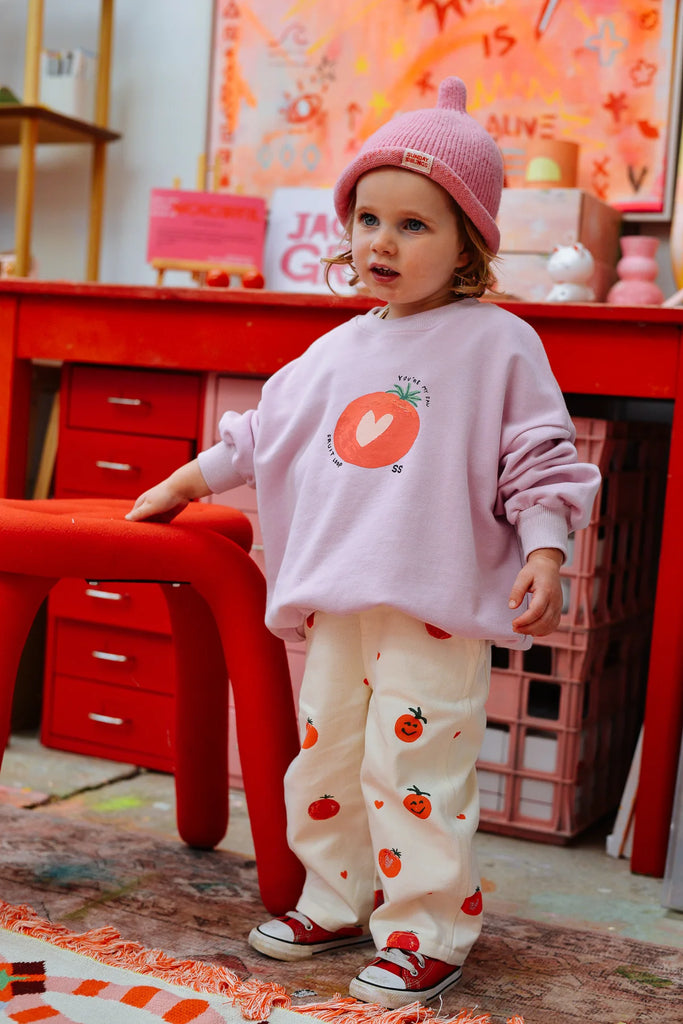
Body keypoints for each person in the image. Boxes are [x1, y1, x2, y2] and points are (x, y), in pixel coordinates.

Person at [126, 77, 601, 1010]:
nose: (380, 242)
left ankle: (427, 928)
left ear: (468, 239)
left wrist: (544, 549)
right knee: (330, 756)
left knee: (415, 769)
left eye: (414, 225)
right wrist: (184, 482)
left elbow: (538, 457)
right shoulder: (336, 351)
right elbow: (260, 433)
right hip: (339, 598)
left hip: (431, 603)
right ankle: (333, 896)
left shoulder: (499, 344)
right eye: (367, 217)